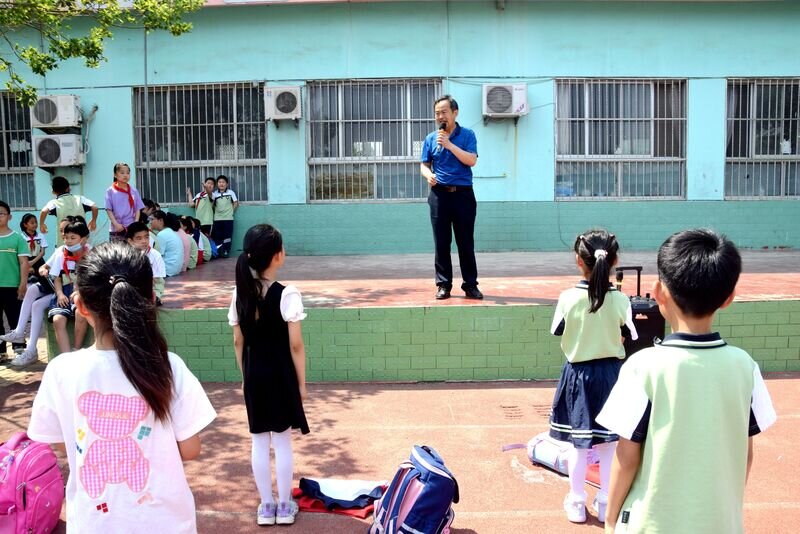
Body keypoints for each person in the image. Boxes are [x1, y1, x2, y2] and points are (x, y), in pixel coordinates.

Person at [27, 242, 216, 533]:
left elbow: (59, 442)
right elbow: (190, 449)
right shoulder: (169, 365)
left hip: (94, 523)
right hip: (166, 522)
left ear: (80, 306)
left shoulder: (61, 370)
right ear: (151, 298)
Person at [597, 229, 777, 534]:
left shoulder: (642, 366)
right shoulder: (745, 366)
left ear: (657, 292)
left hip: (650, 524)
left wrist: (611, 519)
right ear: (729, 297)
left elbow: (627, 458)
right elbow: (745, 453)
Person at [548, 230, 637, 524]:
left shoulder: (567, 298)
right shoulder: (621, 299)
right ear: (615, 261)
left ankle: (576, 501)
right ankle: (604, 502)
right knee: (609, 446)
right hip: (611, 376)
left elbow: (557, 331)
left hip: (578, 376)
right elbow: (630, 334)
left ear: (578, 261)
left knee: (579, 445)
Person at [228, 224, 309, 526]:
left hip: (255, 374)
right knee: (283, 441)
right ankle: (285, 506)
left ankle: (266, 506)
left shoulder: (238, 293)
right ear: (277, 256)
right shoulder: (287, 294)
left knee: (259, 441)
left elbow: (238, 341)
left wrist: (244, 375)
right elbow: (296, 345)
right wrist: (301, 383)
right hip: (281, 375)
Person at [420, 95, 481, 300]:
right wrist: (428, 175)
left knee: (465, 242)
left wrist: (449, 145)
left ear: (455, 112)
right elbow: (424, 164)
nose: (440, 116)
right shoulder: (430, 138)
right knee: (441, 242)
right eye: (437, 113)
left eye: (444, 112)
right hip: (439, 195)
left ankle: (470, 285)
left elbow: (471, 160)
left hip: (463, 194)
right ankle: (443, 285)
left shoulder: (468, 135)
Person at [2, 217, 76, 364]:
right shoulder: (61, 250)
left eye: (68, 232)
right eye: (61, 231)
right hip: (55, 288)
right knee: (33, 295)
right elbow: (47, 267)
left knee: (38, 305)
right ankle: (21, 335)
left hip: (67, 292)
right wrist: (43, 269)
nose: (64, 235)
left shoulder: (83, 251)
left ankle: (29, 348)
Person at [47, 218, 91, 357]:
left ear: (83, 239)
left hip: (83, 291)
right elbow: (57, 278)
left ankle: (76, 350)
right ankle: (65, 356)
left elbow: (91, 278)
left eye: (73, 238)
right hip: (64, 291)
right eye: (66, 238)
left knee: (80, 313)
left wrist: (79, 291)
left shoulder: (90, 255)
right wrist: (59, 294)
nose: (68, 241)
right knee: (57, 319)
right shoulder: (62, 254)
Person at [0, 200, 30, 361]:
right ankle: (1, 352)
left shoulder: (17, 238)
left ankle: (19, 349)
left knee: (15, 317)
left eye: (1, 214)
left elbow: (24, 263)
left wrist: (23, 284)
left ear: (9, 217)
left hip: (12, 286)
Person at [39, 175, 98, 245]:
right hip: (81, 241)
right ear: (68, 188)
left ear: (53, 192)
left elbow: (44, 211)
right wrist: (93, 221)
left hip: (65, 243)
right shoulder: (80, 199)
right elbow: (94, 207)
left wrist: (42, 224)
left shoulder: (54, 203)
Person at [127, 222, 166, 306]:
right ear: (130, 241)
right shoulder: (124, 255)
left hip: (150, 292)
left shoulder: (155, 255)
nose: (144, 241)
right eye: (139, 238)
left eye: (146, 237)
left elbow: (158, 281)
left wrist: (156, 296)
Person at [105, 162, 145, 241]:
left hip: (131, 227)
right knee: (116, 252)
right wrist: (116, 224)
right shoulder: (110, 191)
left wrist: (135, 223)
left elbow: (137, 209)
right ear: (115, 175)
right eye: (122, 173)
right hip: (116, 228)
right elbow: (108, 210)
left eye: (128, 173)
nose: (125, 175)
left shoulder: (133, 191)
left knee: (131, 252)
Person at [149, 210, 182, 277]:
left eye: (152, 219)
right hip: (175, 269)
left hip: (167, 270)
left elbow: (157, 255)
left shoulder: (162, 235)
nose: (150, 222)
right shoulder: (169, 231)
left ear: (160, 220)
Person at [212, 175, 238, 258]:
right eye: (219, 182)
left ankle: (226, 251)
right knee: (218, 236)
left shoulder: (231, 192)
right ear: (217, 184)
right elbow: (212, 205)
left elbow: (236, 203)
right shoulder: (215, 194)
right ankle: (219, 252)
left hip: (228, 218)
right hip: (217, 219)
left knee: (227, 236)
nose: (221, 184)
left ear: (227, 184)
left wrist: (231, 212)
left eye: (223, 182)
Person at [19, 213, 48, 282]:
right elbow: (21, 253)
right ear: (25, 225)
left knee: (45, 279)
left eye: (36, 222)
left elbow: (42, 252)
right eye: (32, 223)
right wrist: (28, 263)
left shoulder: (40, 236)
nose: (35, 224)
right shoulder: (21, 237)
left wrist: (32, 262)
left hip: (39, 260)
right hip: (26, 261)